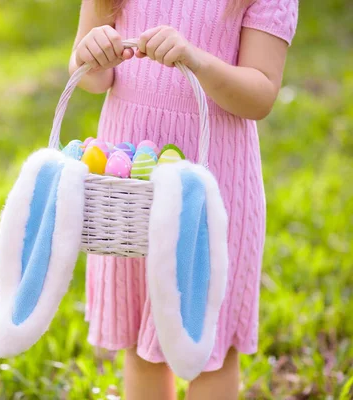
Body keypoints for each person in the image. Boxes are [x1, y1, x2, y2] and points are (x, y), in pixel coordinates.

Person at [69, 0, 298, 398]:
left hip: (213, 178)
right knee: (142, 342)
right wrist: (93, 56)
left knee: (208, 339)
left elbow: (260, 94)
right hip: (132, 182)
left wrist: (197, 60)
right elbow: (89, 76)